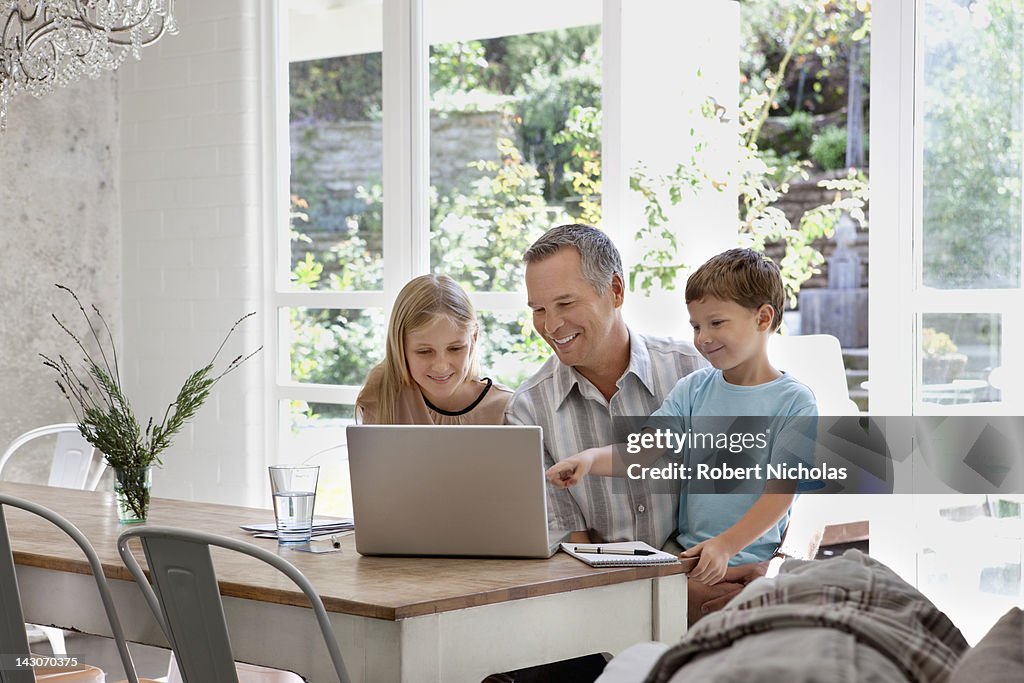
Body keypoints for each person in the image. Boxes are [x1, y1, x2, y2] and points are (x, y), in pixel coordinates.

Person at [546, 248, 818, 623]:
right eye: (695, 326)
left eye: (716, 323)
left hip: (757, 564)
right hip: (692, 562)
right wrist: (590, 459)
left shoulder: (795, 401)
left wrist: (726, 546)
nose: (703, 338)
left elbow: (781, 494)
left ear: (763, 317)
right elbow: (646, 450)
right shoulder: (694, 389)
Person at [505, 224, 707, 548]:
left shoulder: (695, 370)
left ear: (615, 290)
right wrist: (668, 588)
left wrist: (777, 559)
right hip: (604, 594)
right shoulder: (528, 412)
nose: (551, 325)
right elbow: (574, 550)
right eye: (539, 310)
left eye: (566, 303)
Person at [357, 273, 512, 425]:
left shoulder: (505, 407)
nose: (441, 366)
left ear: (474, 338)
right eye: (424, 351)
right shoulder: (383, 391)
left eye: (455, 348)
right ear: (400, 345)